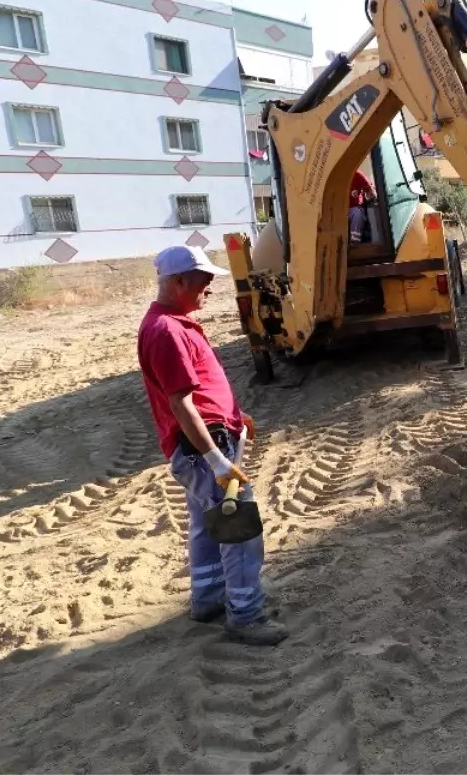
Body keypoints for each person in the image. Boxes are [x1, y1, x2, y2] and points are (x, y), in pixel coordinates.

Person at [137, 246, 289, 645]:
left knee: (209, 524)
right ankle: (246, 614)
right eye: (203, 282)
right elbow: (181, 404)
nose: (209, 290)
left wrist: (236, 418)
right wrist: (217, 461)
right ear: (177, 282)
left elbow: (200, 391)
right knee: (238, 527)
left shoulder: (173, 323)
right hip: (202, 446)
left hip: (209, 438)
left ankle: (208, 599)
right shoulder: (167, 331)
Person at [349, 169, 377, 245]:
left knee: (357, 213)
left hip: (353, 208)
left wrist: (370, 195)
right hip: (339, 209)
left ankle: (355, 241)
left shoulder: (357, 174)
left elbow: (370, 189)